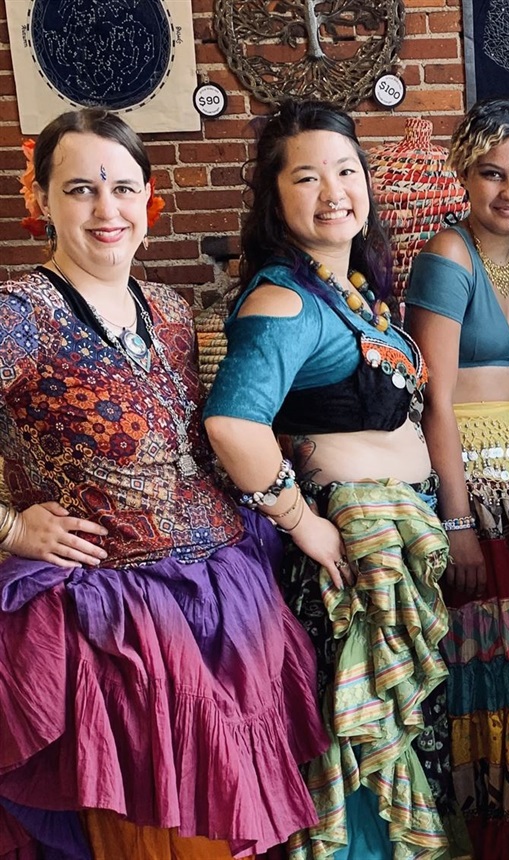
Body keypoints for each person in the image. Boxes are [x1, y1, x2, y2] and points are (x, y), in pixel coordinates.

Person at [0, 108, 327, 859]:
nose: (106, 210)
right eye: (80, 189)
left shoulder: (172, 311)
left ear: (147, 196)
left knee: (239, 827)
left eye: (121, 187)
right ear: (41, 198)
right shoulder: (18, 315)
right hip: (114, 623)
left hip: (226, 600)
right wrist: (11, 529)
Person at [204, 101, 455, 860]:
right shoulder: (285, 297)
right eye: (307, 177)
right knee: (361, 747)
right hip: (346, 566)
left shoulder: (345, 291)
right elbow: (233, 424)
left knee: (398, 742)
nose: (333, 190)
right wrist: (302, 521)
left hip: (394, 546)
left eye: (346, 171)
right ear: (274, 199)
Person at [404, 98, 509, 858]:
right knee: (488, 657)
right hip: (471, 476)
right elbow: (432, 396)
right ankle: (489, 835)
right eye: (493, 173)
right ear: (464, 175)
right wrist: (456, 521)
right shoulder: (448, 256)